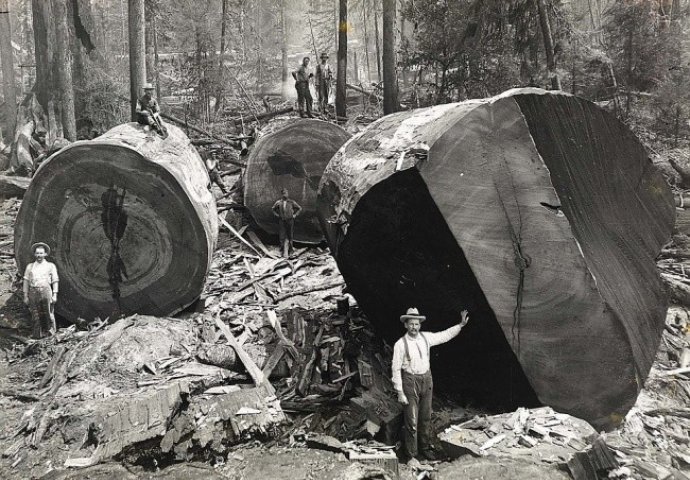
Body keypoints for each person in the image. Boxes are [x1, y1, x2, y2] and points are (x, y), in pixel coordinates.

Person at [392, 307, 470, 468]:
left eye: (417, 324)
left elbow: (444, 336)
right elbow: (395, 369)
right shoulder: (400, 344)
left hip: (427, 379)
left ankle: (425, 447)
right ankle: (411, 455)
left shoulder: (426, 338)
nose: (414, 327)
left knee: (425, 417)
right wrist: (399, 391)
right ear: (406, 325)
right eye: (411, 324)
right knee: (412, 420)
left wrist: (460, 325)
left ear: (420, 324)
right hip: (410, 381)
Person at [23, 242, 59, 339]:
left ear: (45, 254)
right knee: (35, 314)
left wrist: (55, 294)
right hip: (33, 292)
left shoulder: (50, 266)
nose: (39, 255)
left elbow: (55, 280)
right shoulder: (30, 266)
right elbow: (26, 281)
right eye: (37, 253)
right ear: (35, 254)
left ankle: (52, 335)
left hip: (46, 291)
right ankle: (37, 336)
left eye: (41, 253)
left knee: (49, 313)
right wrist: (25, 296)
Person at [272, 188, 302, 257]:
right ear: (282, 194)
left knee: (290, 235)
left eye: (287, 193)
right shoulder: (278, 202)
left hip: (290, 221)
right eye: (284, 193)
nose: (286, 194)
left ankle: (291, 250)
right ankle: (282, 250)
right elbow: (273, 209)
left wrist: (295, 215)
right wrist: (277, 215)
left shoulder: (291, 202)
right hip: (282, 221)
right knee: (282, 236)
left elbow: (300, 208)